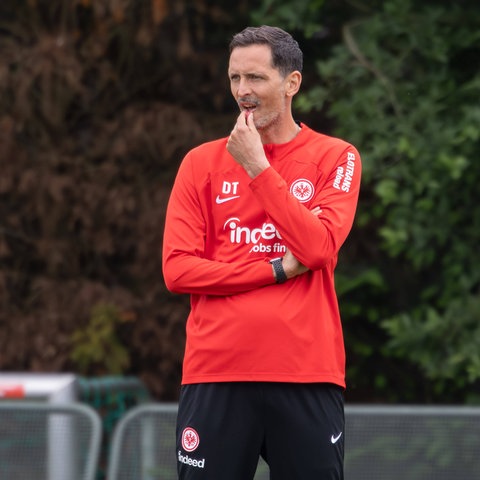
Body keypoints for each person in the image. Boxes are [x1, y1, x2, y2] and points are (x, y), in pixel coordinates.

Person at [162, 25, 361, 480]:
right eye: (234, 79)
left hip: (305, 373)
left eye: (255, 78)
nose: (242, 91)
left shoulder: (337, 156)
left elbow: (316, 247)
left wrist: (256, 165)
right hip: (216, 372)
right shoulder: (199, 163)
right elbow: (177, 270)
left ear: (292, 83)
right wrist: (272, 269)